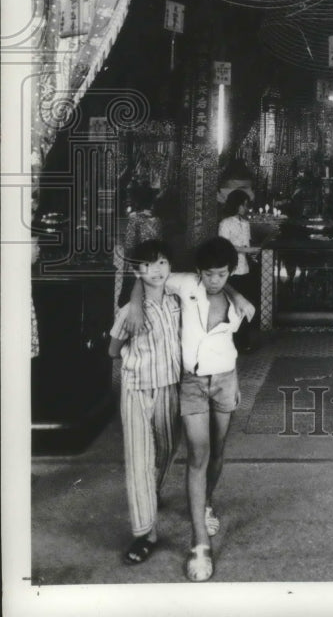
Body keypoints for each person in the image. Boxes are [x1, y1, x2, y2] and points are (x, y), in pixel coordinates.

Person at [129, 236, 255, 582]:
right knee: (198, 455)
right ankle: (200, 543)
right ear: (199, 272)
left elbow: (228, 340)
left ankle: (206, 503)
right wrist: (136, 306)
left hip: (226, 380)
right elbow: (146, 279)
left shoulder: (239, 302)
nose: (215, 280)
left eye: (223, 274)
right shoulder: (186, 284)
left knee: (217, 452)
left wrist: (237, 294)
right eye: (210, 274)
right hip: (193, 383)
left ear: (231, 272)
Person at [108, 240, 181, 566]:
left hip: (170, 388)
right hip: (137, 389)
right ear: (137, 271)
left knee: (166, 449)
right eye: (149, 265)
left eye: (163, 262)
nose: (158, 270)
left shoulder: (177, 302)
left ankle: (152, 492)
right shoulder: (128, 312)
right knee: (139, 458)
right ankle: (145, 532)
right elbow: (113, 349)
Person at [218, 189, 260, 352]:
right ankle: (230, 341)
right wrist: (244, 250)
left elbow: (246, 245)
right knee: (231, 306)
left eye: (246, 205)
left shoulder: (246, 223)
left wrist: (251, 253)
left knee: (245, 304)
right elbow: (224, 246)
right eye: (244, 204)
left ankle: (243, 341)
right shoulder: (225, 223)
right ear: (237, 205)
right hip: (232, 270)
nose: (246, 208)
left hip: (245, 269)